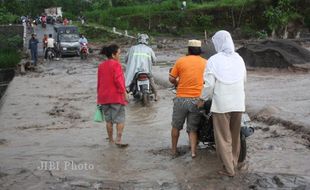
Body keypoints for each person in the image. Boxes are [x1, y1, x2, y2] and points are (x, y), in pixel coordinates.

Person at [198, 30, 247, 177]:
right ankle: (233, 162)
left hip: (222, 105)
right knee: (235, 136)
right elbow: (244, 80)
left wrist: (201, 99)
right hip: (238, 103)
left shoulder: (213, 60)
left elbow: (209, 85)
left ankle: (229, 169)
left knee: (223, 138)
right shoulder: (239, 58)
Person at [169, 40, 207, 158]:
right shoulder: (206, 62)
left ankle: (174, 151)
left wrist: (176, 82)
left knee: (176, 126)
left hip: (181, 99)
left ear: (189, 49)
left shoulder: (181, 61)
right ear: (200, 50)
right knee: (192, 129)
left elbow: (171, 78)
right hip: (197, 100)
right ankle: (193, 153)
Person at [97, 44, 128, 147]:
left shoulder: (101, 66)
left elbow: (99, 83)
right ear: (113, 55)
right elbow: (118, 80)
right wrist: (124, 93)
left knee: (109, 120)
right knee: (120, 119)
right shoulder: (116, 65)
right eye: (119, 53)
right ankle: (118, 140)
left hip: (104, 97)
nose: (120, 56)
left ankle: (111, 141)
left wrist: (99, 98)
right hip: (116, 97)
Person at [125, 34, 158, 100]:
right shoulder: (149, 49)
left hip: (134, 71)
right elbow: (155, 60)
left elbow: (126, 58)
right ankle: (156, 96)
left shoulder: (132, 48)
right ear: (147, 41)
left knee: (128, 84)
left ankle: (126, 95)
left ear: (138, 40)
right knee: (152, 81)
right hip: (146, 71)